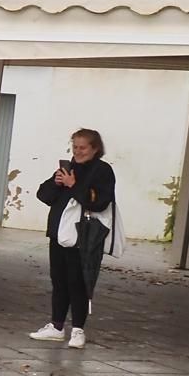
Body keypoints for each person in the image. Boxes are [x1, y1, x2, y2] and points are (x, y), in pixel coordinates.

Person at [30, 128, 117, 349]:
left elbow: (98, 202)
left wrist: (73, 185)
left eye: (83, 148)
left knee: (78, 281)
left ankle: (78, 329)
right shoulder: (69, 168)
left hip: (85, 235)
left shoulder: (102, 171)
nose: (78, 152)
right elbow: (43, 195)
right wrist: (57, 183)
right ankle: (56, 326)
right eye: (75, 147)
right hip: (59, 234)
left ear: (95, 149)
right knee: (59, 280)